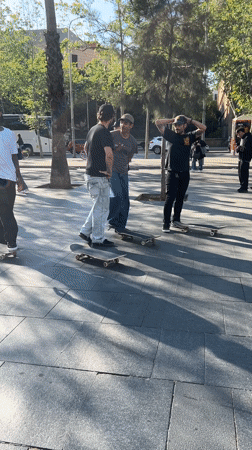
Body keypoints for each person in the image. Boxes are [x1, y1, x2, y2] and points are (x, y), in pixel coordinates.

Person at [155, 114, 206, 232]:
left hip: (184, 173)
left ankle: (176, 220)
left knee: (180, 198)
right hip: (172, 172)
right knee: (170, 198)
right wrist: (173, 119)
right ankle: (166, 223)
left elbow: (203, 128)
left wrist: (191, 120)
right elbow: (158, 122)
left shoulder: (190, 136)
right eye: (175, 125)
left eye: (179, 125)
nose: (176, 127)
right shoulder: (171, 135)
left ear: (185, 125)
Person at [79, 103, 115, 247]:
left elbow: (86, 147)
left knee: (97, 206)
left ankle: (85, 231)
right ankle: (98, 239)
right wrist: (109, 170)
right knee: (102, 208)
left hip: (89, 173)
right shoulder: (105, 132)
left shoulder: (93, 129)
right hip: (100, 176)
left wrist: (92, 160)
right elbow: (109, 154)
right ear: (112, 117)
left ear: (98, 115)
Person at [0, 112, 26, 252]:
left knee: (6, 212)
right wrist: (19, 178)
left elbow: (14, 156)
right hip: (8, 179)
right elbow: (14, 157)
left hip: (6, 180)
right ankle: (7, 241)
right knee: (6, 212)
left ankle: (11, 242)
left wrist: (19, 178)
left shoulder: (9, 133)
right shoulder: (9, 133)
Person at [108, 113, 138, 232]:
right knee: (117, 195)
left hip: (124, 172)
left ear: (131, 126)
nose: (123, 125)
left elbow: (130, 156)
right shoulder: (112, 135)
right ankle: (112, 221)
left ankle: (121, 226)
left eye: (126, 123)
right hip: (112, 170)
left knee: (125, 199)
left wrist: (125, 164)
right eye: (121, 122)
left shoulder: (133, 141)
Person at [236, 126, 252, 193]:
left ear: (242, 132)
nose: (238, 135)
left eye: (238, 133)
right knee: (240, 173)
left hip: (245, 158)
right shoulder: (243, 138)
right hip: (241, 158)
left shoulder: (248, 138)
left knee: (244, 174)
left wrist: (239, 148)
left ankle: (244, 187)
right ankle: (242, 186)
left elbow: (247, 149)